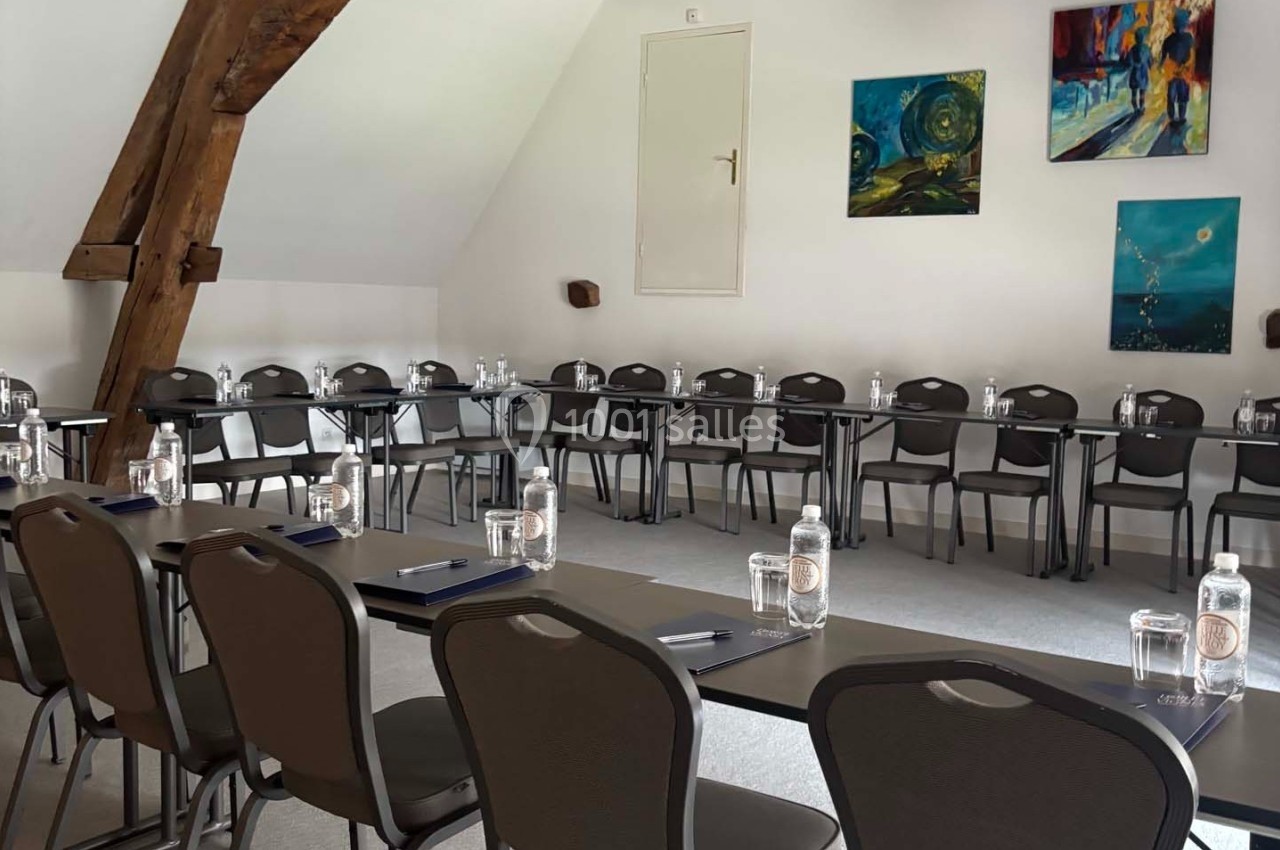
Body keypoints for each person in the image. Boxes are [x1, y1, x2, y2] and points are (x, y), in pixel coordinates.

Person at [1162, 9, 1196, 124]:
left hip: (1180, 72)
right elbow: (1164, 55)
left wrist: (1185, 66)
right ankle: (1176, 117)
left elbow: (1191, 55)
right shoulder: (1184, 38)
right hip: (1177, 72)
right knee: (1176, 96)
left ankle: (1179, 117)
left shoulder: (1174, 39)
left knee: (1180, 96)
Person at [1123, 27, 1153, 113]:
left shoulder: (1133, 49)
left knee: (1134, 92)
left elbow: (1129, 62)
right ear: (1143, 38)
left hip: (1135, 72)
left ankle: (1136, 108)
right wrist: (1150, 65)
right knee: (1142, 91)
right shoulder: (1147, 48)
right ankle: (1141, 107)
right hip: (1143, 73)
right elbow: (1150, 61)